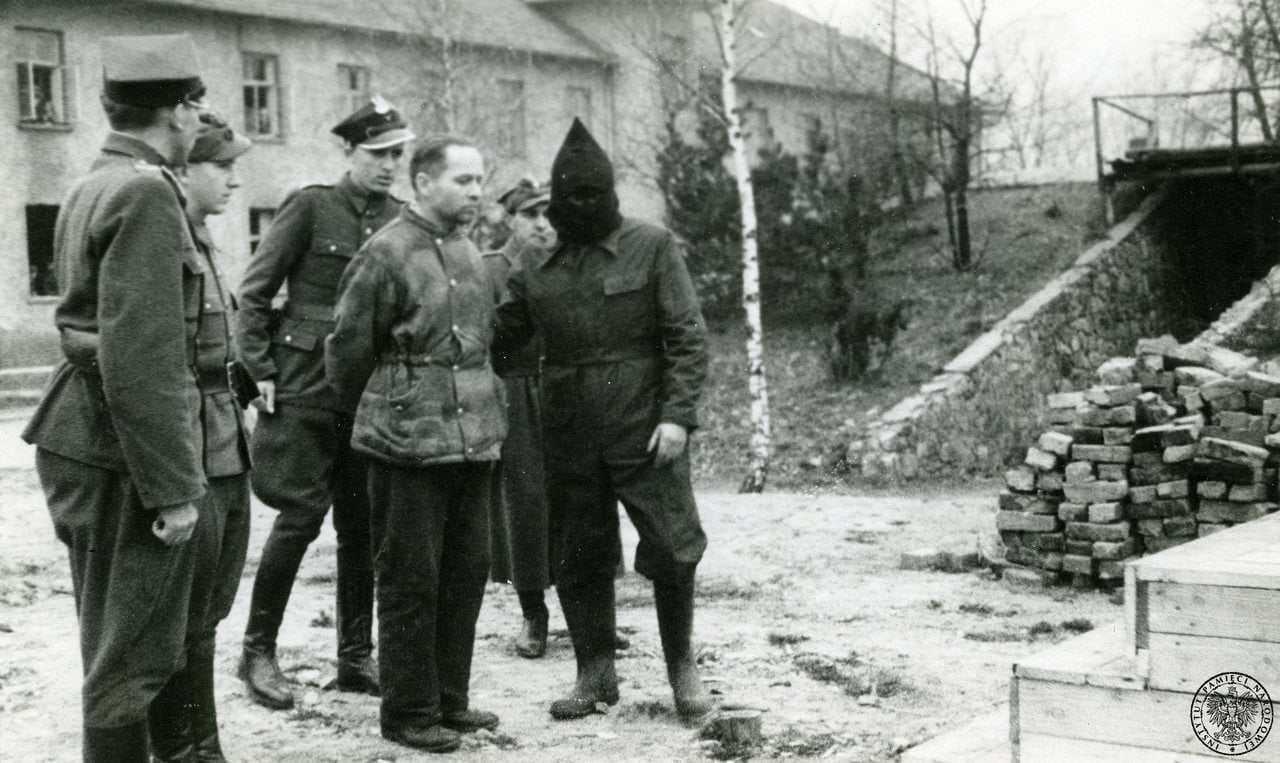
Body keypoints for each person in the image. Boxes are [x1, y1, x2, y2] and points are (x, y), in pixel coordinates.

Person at [20, 33, 211, 761]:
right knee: (130, 655)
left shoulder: (92, 181)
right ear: (179, 110)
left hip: (85, 436)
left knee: (111, 634)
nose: (199, 122)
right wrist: (171, 490)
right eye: (197, 107)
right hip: (119, 448)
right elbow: (146, 358)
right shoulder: (145, 191)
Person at [494, 118, 714, 721]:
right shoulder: (533, 264)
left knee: (673, 547)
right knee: (578, 552)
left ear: (613, 193)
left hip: (646, 429)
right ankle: (594, 673)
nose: (585, 206)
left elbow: (688, 337)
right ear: (555, 201)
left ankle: (682, 671)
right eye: (573, 197)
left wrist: (678, 417)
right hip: (569, 431)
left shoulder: (652, 244)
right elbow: (502, 341)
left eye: (597, 194)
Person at [327, 135, 506, 753]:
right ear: (424, 182)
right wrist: (383, 415)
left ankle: (449, 703)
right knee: (409, 578)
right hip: (406, 444)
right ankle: (407, 712)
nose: (477, 191)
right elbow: (348, 350)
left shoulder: (469, 252)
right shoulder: (385, 253)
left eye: (481, 180)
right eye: (464, 180)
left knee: (466, 573)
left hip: (473, 440)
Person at [235, 97, 413, 710]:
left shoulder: (402, 219)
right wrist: (257, 369)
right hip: (304, 383)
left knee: (360, 524)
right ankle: (258, 652)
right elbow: (254, 293)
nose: (390, 165)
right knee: (298, 519)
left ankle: (355, 657)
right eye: (377, 154)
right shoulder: (311, 206)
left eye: (398, 154)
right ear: (348, 152)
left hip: (367, 391)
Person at [166, 113, 255, 761]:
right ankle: (185, 747)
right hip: (191, 446)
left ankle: (202, 742)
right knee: (187, 613)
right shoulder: (168, 241)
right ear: (182, 169)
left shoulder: (206, 240)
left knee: (211, 608)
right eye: (220, 166)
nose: (233, 178)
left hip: (226, 440)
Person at [483, 178, 555, 658]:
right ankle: (534, 612)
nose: (543, 224)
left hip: (564, 392)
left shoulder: (566, 262)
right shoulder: (489, 268)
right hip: (513, 392)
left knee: (580, 502)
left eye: (549, 214)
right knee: (524, 506)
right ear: (510, 218)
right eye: (531, 214)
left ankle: (592, 611)